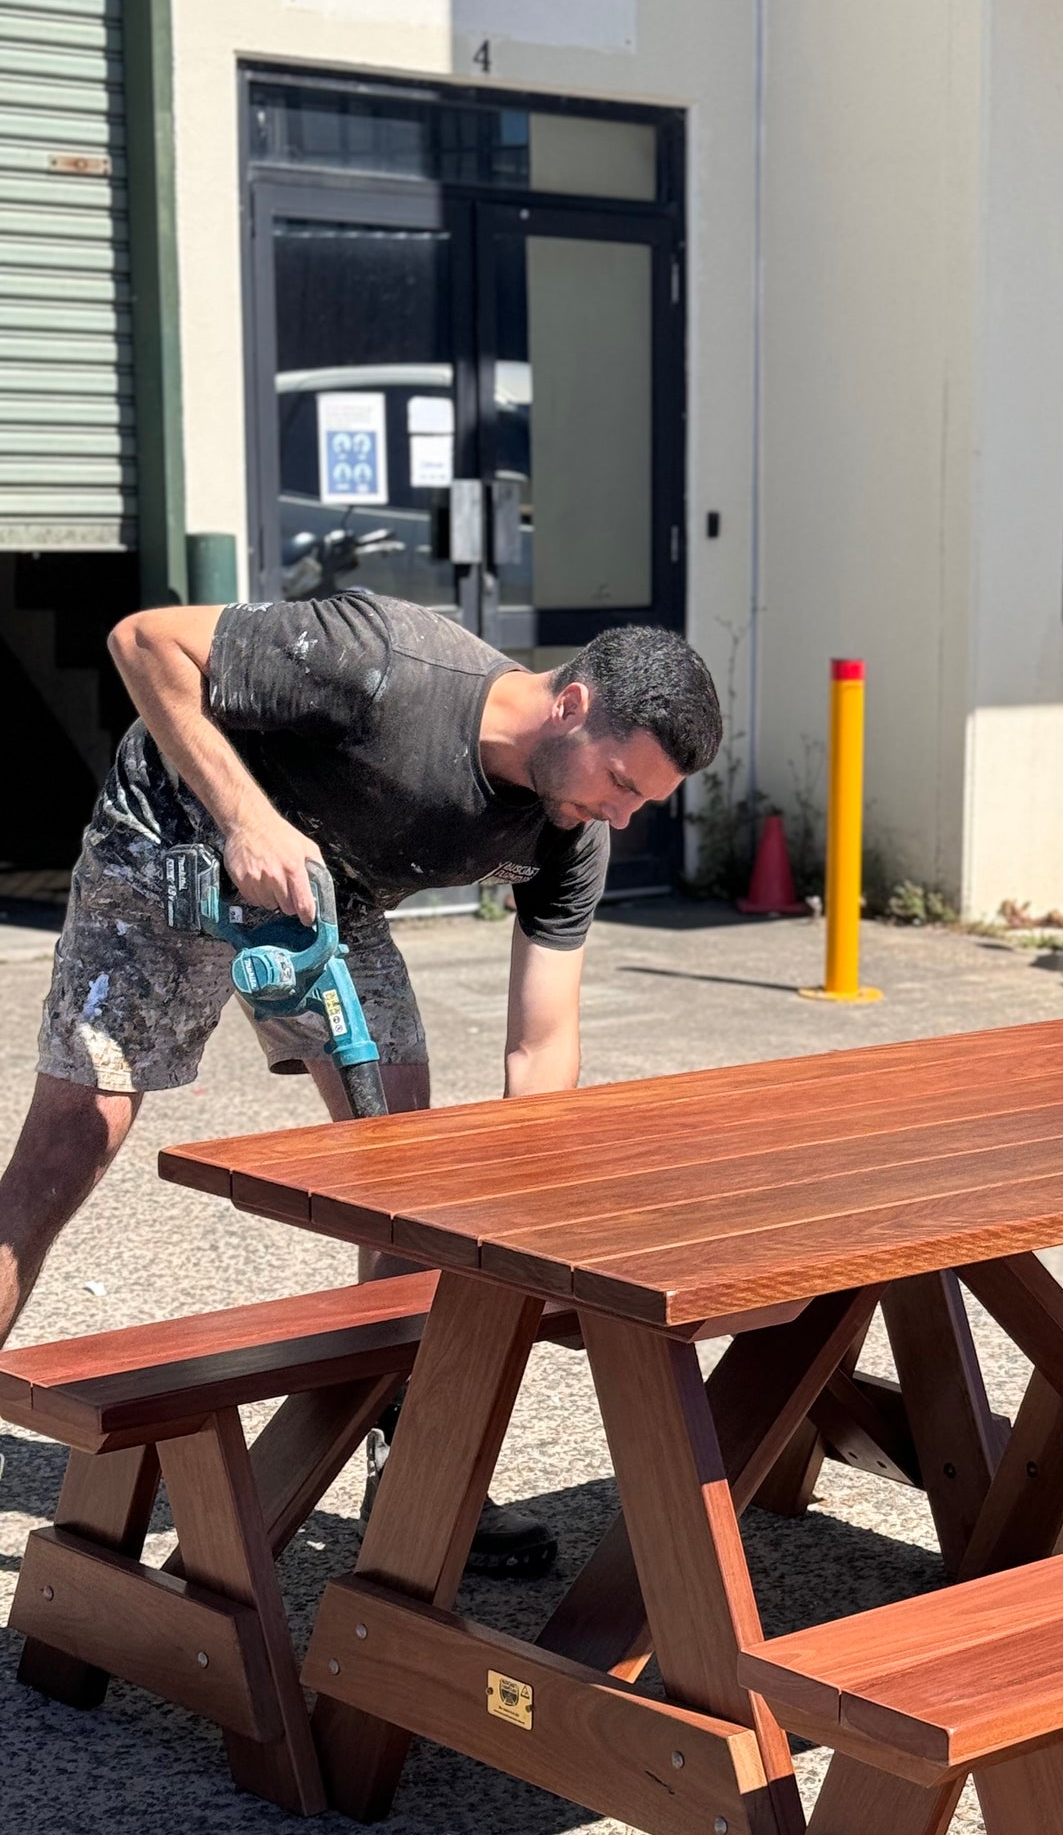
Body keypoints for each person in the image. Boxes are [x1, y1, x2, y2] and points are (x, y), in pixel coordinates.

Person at [0, 587, 723, 1570]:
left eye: (643, 800)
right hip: (171, 841)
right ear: (573, 704)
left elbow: (541, 1045)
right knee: (67, 1147)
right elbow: (142, 640)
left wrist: (533, 1222)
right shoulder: (385, 661)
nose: (624, 816)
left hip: (325, 892)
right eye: (622, 782)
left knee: (406, 1169)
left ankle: (414, 1474)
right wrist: (246, 821)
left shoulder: (569, 835)